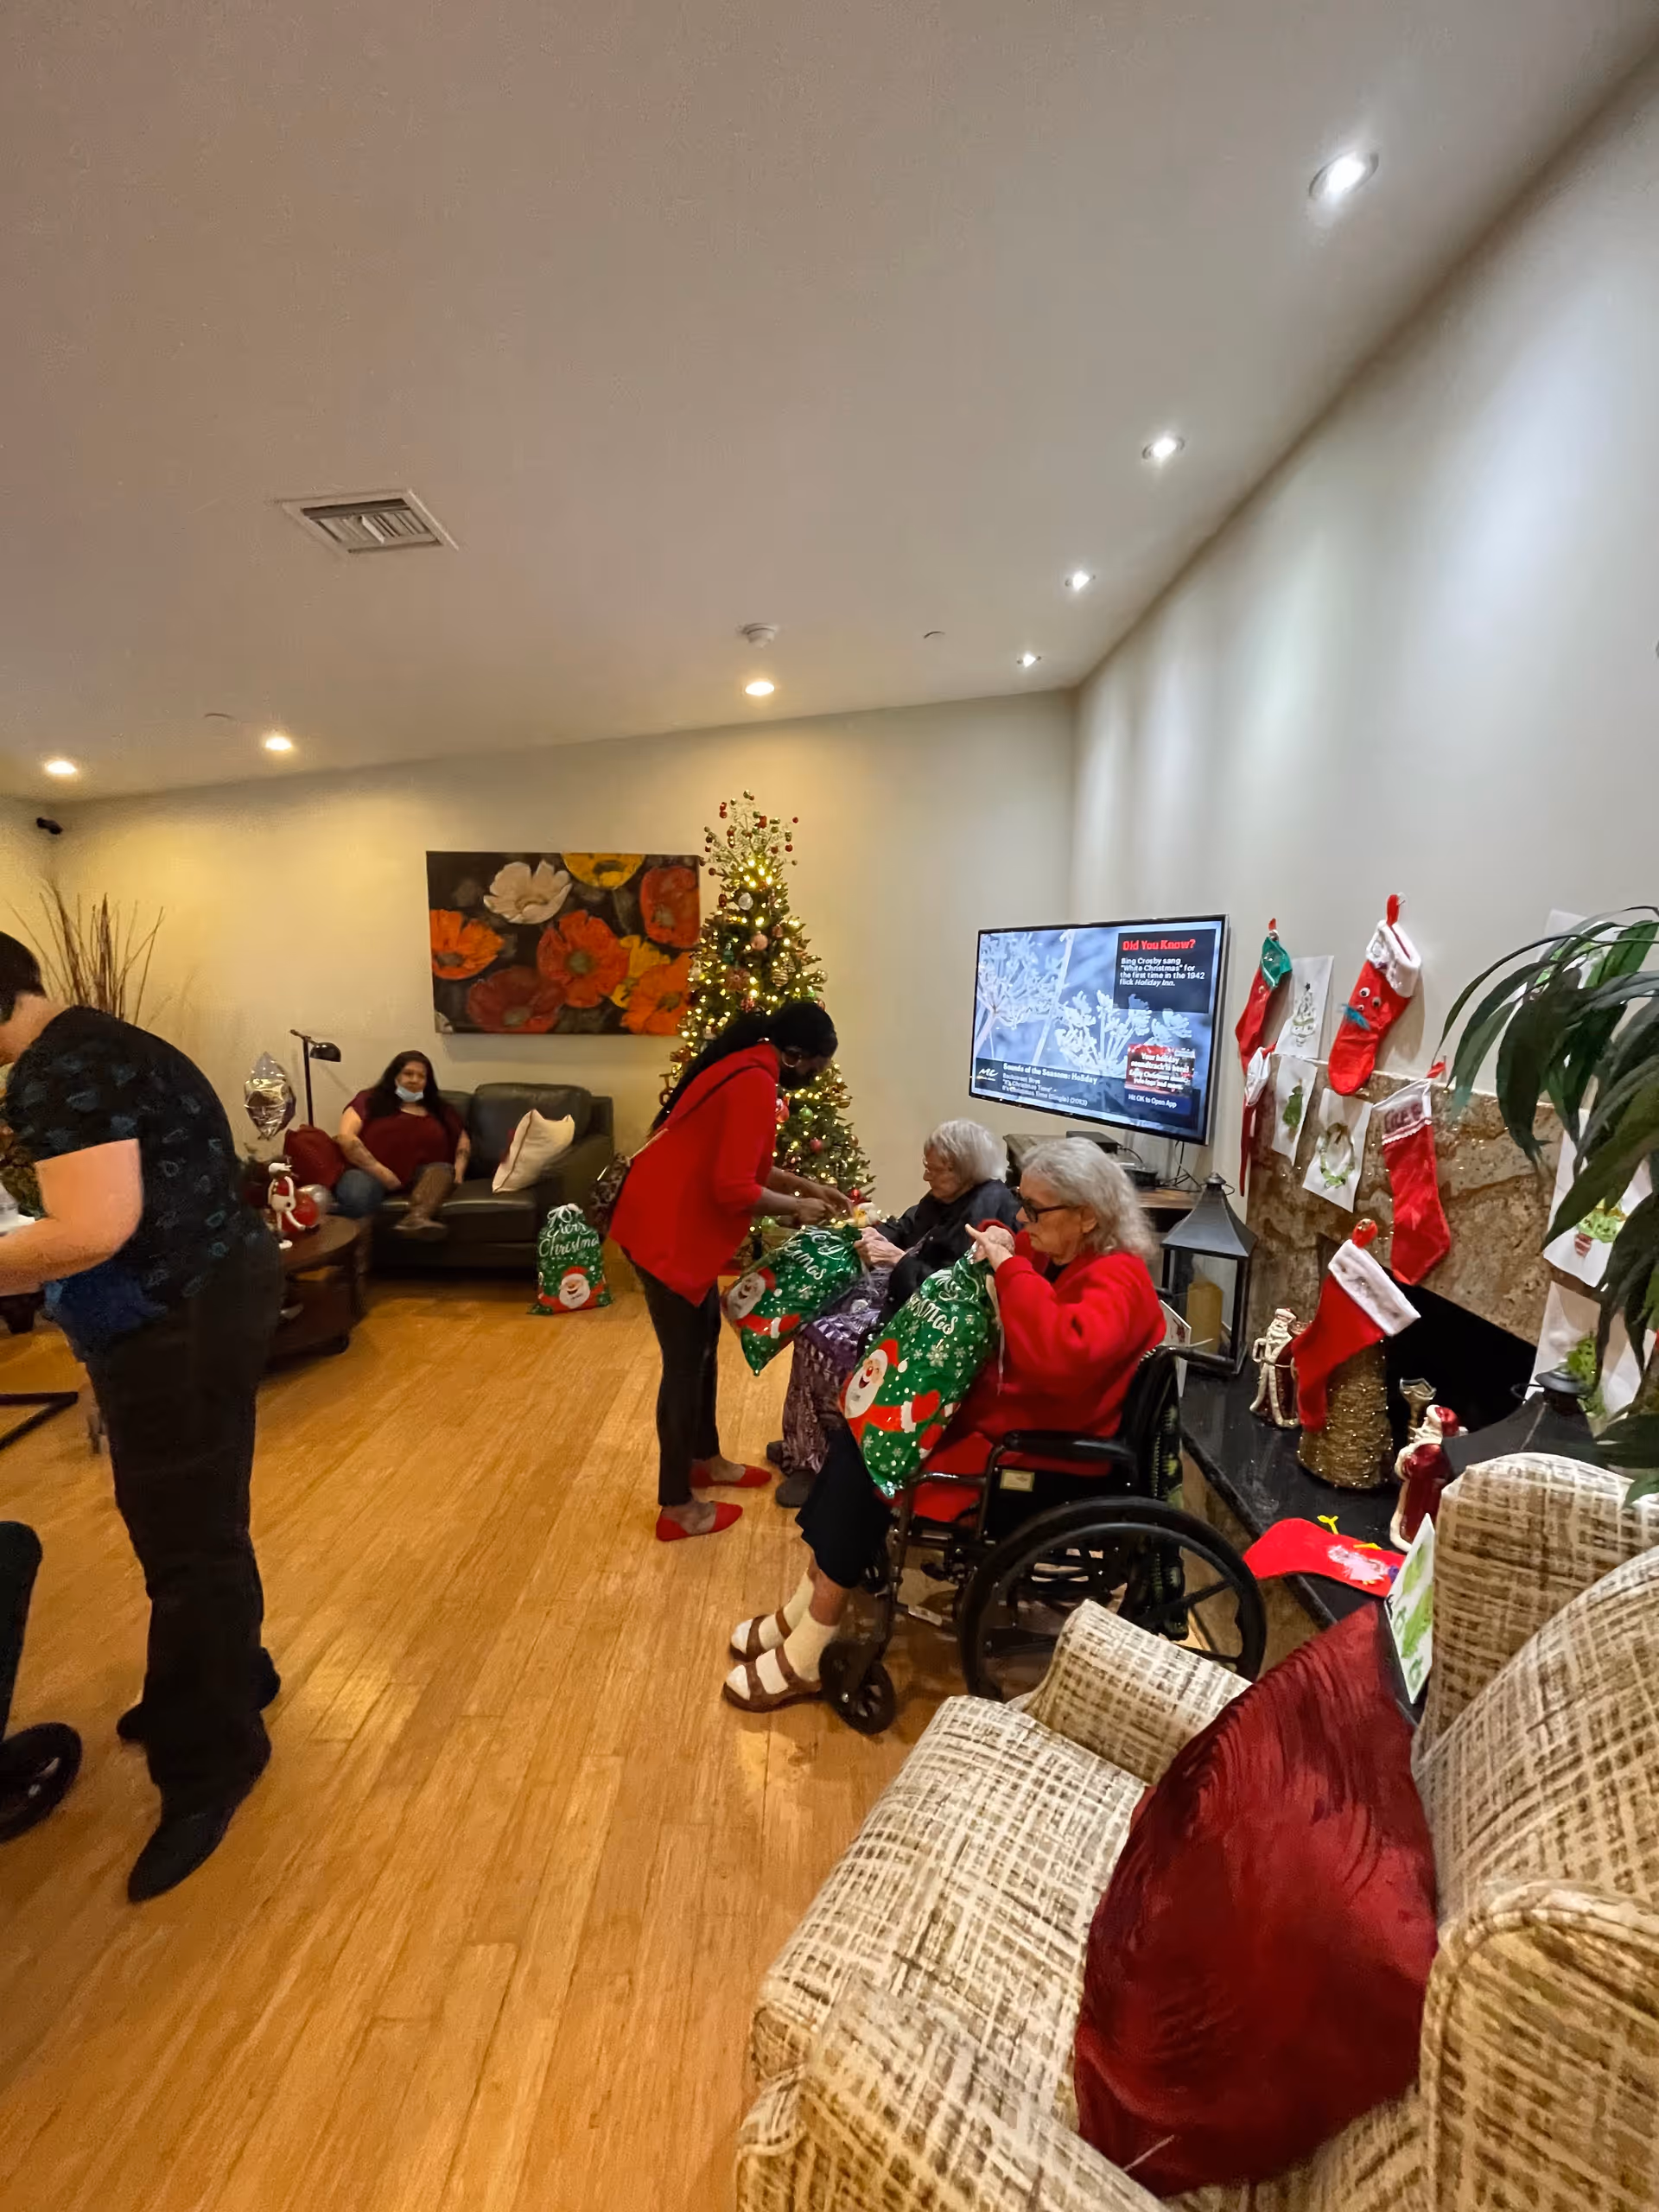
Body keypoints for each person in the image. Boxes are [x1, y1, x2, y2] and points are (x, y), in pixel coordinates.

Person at [0, 932, 283, 1898]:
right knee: (205, 1520)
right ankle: (228, 1678)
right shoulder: (105, 1040)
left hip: (179, 1316)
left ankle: (212, 1763)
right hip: (217, 1287)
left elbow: (89, 1230)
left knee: (185, 1544)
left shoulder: (55, 1072)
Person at [723, 1138, 1164, 1710]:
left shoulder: (1120, 1280)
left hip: (1039, 1457)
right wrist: (1006, 1249)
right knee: (858, 1431)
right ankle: (800, 1611)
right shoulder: (1072, 1253)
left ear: (1088, 1216)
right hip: (1011, 1426)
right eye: (1020, 1204)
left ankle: (809, 1645)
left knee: (871, 1465)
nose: (1022, 1220)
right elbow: (1024, 1272)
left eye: (1034, 1210)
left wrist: (1008, 1268)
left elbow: (1059, 1356)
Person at [612, 1000, 849, 1541]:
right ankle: (676, 1505)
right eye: (816, 1068)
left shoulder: (745, 1066)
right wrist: (797, 1210)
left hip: (664, 1223)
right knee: (683, 1366)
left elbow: (742, 1160)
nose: (814, 1079)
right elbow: (732, 1188)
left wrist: (805, 1186)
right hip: (666, 1235)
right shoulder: (753, 1084)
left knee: (702, 1344)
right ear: (795, 1055)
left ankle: (705, 1458)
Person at [770, 1119, 1021, 1507]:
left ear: (963, 1167)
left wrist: (899, 1259)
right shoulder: (946, 1196)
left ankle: (820, 1461)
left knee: (828, 1339)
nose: (926, 1175)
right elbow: (905, 1226)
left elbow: (958, 1296)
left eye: (934, 1169)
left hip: (926, 1325)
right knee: (814, 1323)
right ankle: (805, 1445)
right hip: (902, 1298)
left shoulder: (991, 1206)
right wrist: (875, 1234)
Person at [334, 1051, 470, 1237]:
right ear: (395, 1075)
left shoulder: (439, 1108)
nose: (414, 1079)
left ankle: (416, 1220)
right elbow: (346, 1138)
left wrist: (459, 1174)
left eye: (421, 1076)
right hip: (367, 1172)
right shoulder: (369, 1099)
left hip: (423, 1174)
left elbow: (462, 1140)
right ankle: (357, 1258)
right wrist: (383, 1174)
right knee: (357, 1193)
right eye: (408, 1073)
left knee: (442, 1170)